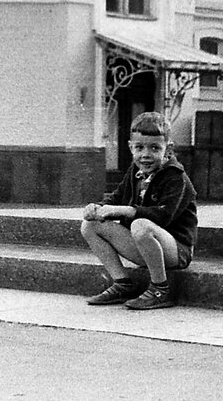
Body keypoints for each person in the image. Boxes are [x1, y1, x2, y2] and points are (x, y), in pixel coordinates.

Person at [80, 111, 197, 310]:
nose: (145, 155)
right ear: (130, 147)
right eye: (139, 147)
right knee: (90, 226)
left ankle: (161, 289)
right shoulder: (135, 172)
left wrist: (124, 211)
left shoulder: (176, 177)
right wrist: (98, 207)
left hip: (175, 250)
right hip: (144, 244)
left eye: (154, 148)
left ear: (168, 149)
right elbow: (117, 197)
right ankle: (122, 283)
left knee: (141, 224)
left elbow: (163, 216)